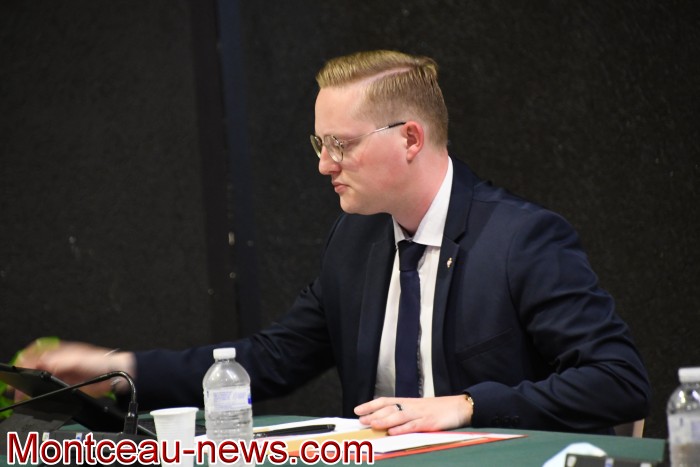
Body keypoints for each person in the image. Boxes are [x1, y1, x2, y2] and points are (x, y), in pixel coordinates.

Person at [15, 50, 650, 435]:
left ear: (409, 138)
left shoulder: (521, 238)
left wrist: (464, 406)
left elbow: (618, 382)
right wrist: (118, 370)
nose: (324, 165)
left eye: (341, 144)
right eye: (320, 144)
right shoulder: (356, 240)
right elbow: (267, 361)